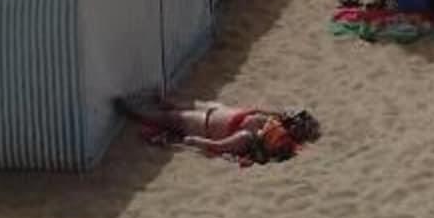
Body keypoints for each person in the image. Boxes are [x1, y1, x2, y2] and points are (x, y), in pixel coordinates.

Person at [117, 91, 319, 161]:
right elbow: (261, 112)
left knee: (171, 118)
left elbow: (222, 146)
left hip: (207, 125)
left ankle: (134, 113)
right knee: (186, 107)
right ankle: (166, 104)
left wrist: (199, 141)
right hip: (220, 113)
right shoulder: (273, 125)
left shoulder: (257, 138)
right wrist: (278, 115)